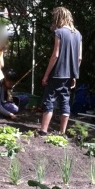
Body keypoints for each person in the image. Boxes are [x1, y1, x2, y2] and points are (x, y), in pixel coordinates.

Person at [40, 7, 82, 135]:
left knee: (49, 100)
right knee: (65, 101)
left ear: (59, 18)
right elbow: (79, 58)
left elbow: (55, 55)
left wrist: (46, 75)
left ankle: (43, 131)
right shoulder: (78, 34)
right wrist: (75, 75)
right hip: (69, 75)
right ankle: (62, 132)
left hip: (57, 73)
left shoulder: (59, 32)